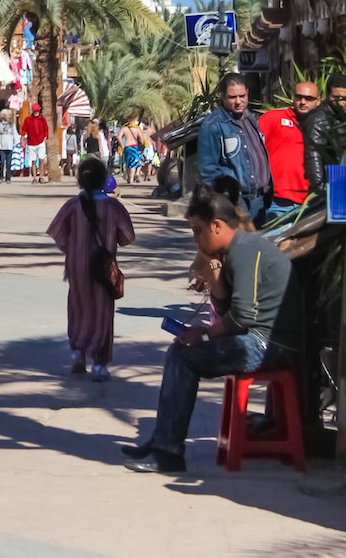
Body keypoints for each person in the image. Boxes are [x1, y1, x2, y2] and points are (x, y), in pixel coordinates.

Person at [124, 185, 300, 474]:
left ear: (216, 226)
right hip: (256, 338)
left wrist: (204, 334)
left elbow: (243, 316)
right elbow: (227, 309)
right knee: (180, 349)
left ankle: (168, 452)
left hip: (271, 345)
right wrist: (215, 272)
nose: (195, 239)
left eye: (198, 231)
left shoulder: (246, 250)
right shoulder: (232, 250)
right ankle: (161, 440)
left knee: (185, 356)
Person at [48, 157, 134, 381]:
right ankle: (99, 364)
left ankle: (78, 353)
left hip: (76, 266)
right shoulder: (113, 207)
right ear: (104, 179)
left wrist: (74, 249)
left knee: (78, 308)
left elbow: (58, 235)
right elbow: (127, 237)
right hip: (103, 268)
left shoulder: (72, 206)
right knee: (102, 313)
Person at [196, 75, 272, 223]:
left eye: (242, 96)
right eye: (232, 97)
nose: (238, 101)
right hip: (236, 202)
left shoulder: (250, 119)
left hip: (259, 199)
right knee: (240, 244)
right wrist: (231, 200)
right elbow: (208, 170)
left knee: (256, 245)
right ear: (223, 97)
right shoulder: (212, 125)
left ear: (247, 93)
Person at [259, 82, 313, 217]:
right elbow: (250, 147)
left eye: (309, 98)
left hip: (310, 204)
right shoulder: (274, 118)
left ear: (318, 101)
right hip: (277, 202)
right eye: (299, 97)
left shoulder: (323, 127)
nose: (303, 102)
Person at [21, 104, 50, 183]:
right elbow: (23, 130)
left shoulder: (42, 119)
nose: (37, 112)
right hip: (31, 143)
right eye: (35, 111)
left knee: (41, 160)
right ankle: (34, 178)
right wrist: (22, 140)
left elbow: (46, 129)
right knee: (33, 161)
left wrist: (45, 137)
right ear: (33, 111)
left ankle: (41, 177)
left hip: (40, 142)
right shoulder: (28, 119)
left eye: (38, 110)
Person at [0, 108, 19, 183]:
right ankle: (0, 177)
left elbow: (15, 134)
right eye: (7, 115)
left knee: (8, 163)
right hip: (2, 146)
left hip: (10, 146)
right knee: (1, 162)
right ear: (3, 116)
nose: (9, 116)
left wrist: (17, 142)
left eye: (9, 115)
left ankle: (8, 178)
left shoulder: (12, 125)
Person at [120, 116, 145, 184]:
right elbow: (142, 139)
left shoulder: (124, 128)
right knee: (133, 163)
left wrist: (122, 145)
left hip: (127, 146)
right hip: (134, 146)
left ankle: (128, 177)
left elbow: (119, 137)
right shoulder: (137, 129)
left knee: (128, 162)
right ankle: (131, 179)